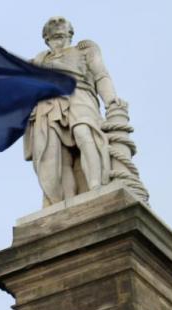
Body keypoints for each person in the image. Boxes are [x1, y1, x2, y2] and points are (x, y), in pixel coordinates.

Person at [24, 17, 121, 206]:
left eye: (61, 32)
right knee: (56, 156)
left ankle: (96, 186)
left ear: (70, 33)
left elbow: (101, 75)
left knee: (84, 133)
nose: (56, 24)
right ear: (46, 38)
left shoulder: (84, 49)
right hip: (48, 103)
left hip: (79, 94)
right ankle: (64, 201)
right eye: (53, 35)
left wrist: (110, 99)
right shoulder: (38, 60)